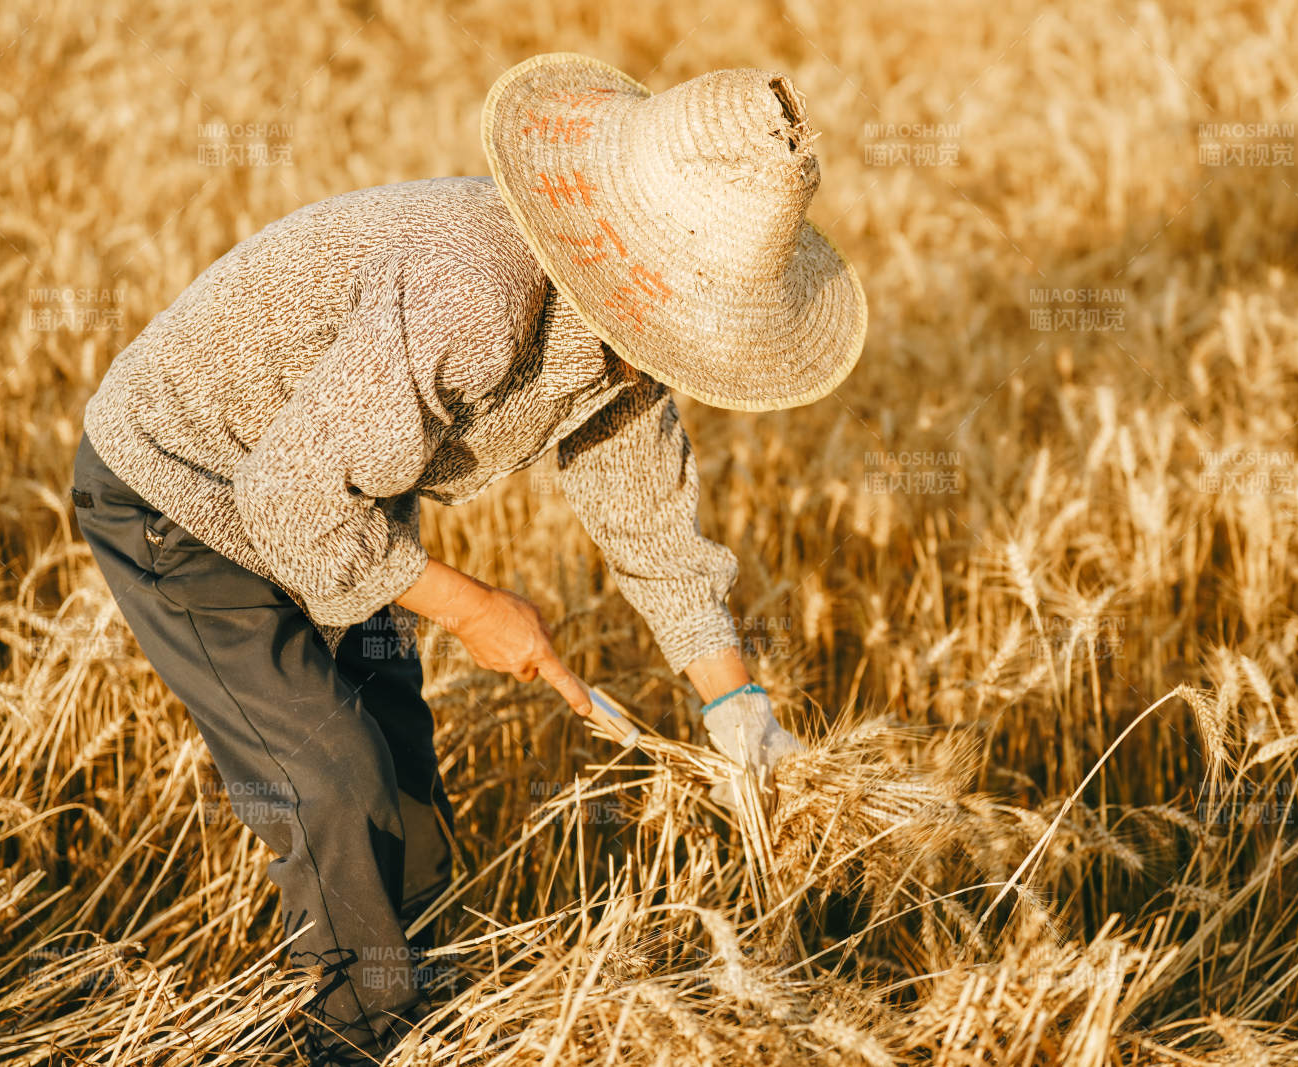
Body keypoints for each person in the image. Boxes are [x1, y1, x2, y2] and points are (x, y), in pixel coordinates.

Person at [69, 52, 866, 1064]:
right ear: (634, 264)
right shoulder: (476, 291)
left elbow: (652, 527)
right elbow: (286, 495)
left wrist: (737, 710)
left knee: (401, 766)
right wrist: (475, 606)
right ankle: (354, 1041)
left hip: (337, 505)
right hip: (180, 492)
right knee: (334, 778)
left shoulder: (627, 347)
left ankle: (422, 1013)